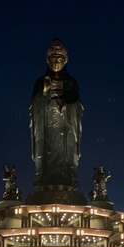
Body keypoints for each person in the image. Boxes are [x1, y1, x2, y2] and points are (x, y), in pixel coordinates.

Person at [30, 39, 83, 189]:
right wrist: (45, 92)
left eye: (60, 60)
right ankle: (43, 182)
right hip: (47, 128)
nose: (56, 63)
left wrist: (66, 105)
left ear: (65, 61)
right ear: (48, 61)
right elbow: (34, 106)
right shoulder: (41, 82)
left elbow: (77, 105)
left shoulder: (71, 82)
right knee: (46, 154)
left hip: (65, 129)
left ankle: (68, 182)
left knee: (66, 156)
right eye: (53, 60)